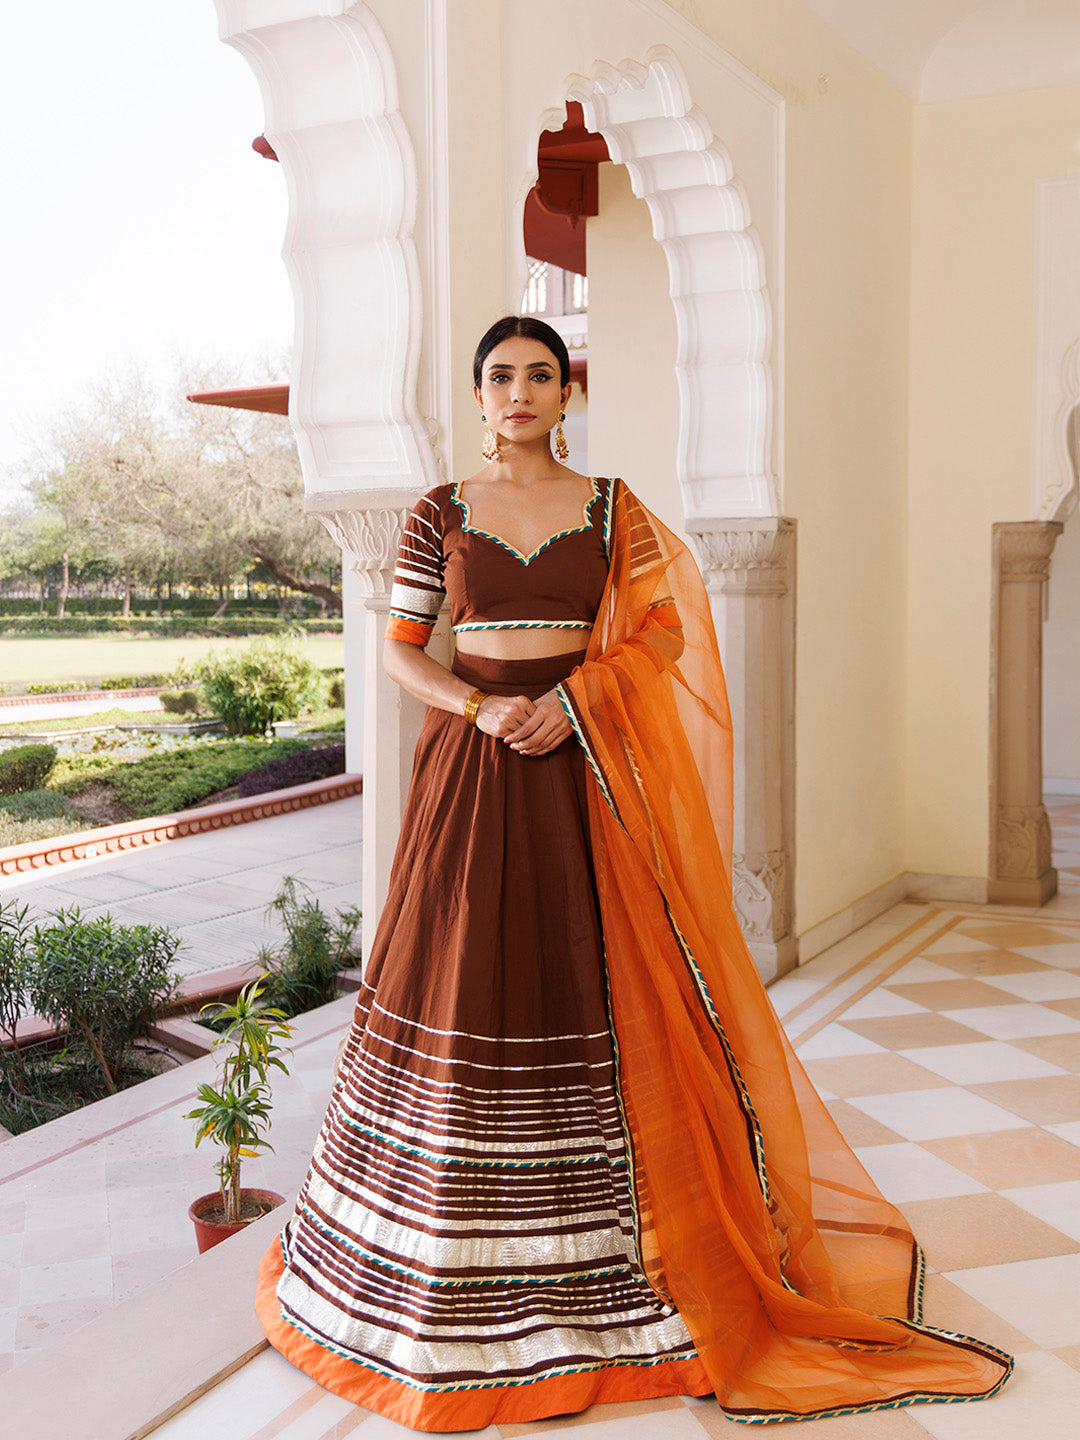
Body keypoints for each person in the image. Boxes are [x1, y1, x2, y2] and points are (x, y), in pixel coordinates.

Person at [257, 316, 1012, 1431]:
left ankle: (629, 1267)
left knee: (594, 976)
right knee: (463, 970)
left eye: (541, 376)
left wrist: (574, 702)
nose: (520, 391)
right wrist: (486, 706)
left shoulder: (613, 508)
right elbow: (404, 646)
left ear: (568, 395)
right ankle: (438, 1262)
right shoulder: (439, 512)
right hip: (474, 771)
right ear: (478, 395)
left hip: (585, 771)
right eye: (501, 375)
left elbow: (663, 629)